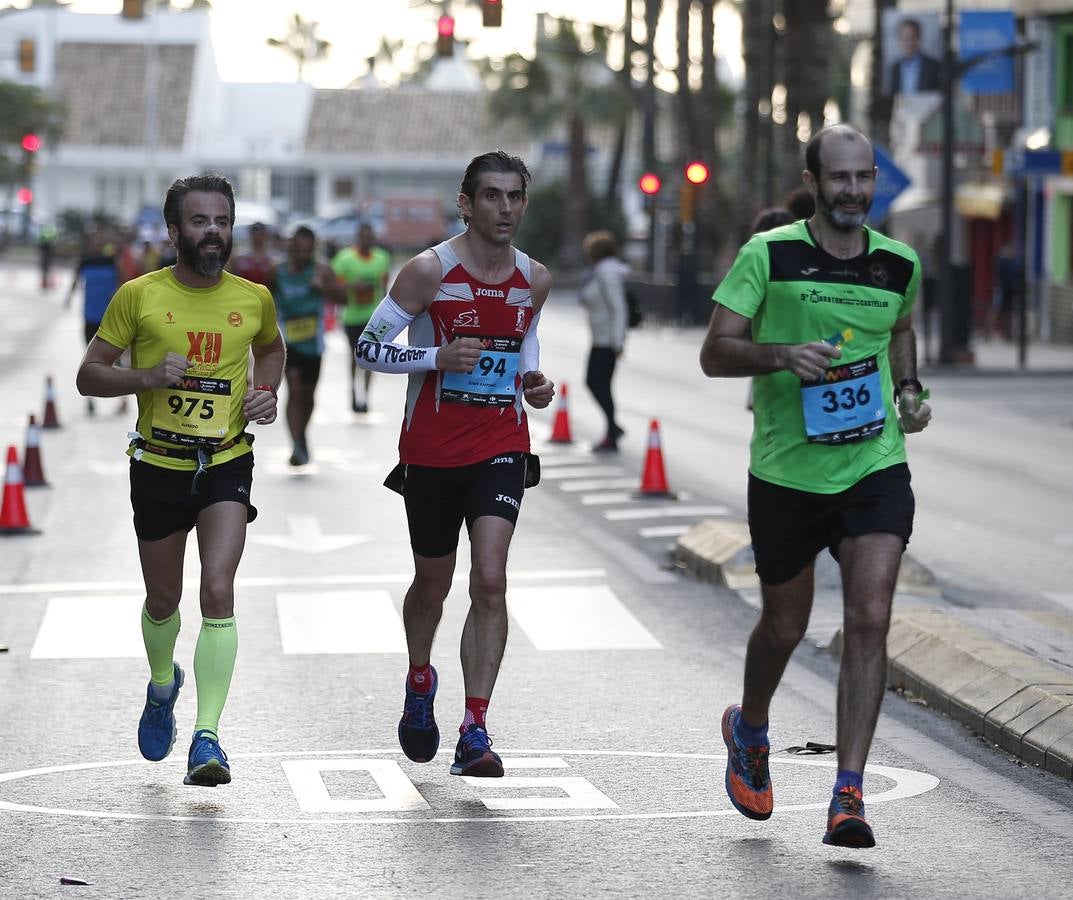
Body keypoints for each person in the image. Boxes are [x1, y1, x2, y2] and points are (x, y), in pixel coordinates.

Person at [699, 124, 932, 848]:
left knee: (868, 616)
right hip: (786, 472)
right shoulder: (766, 255)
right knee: (785, 627)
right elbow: (714, 352)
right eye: (839, 178)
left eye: (863, 177)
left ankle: (848, 792)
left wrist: (910, 389)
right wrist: (778, 355)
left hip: (872, 465)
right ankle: (751, 728)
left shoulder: (898, 263)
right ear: (812, 180)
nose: (854, 191)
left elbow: (899, 331)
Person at [75, 174, 285, 788]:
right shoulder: (138, 297)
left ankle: (209, 737)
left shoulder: (254, 298)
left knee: (218, 589)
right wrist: (145, 377)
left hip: (225, 460)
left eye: (222, 220)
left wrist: (264, 391)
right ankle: (163, 684)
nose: (213, 232)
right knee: (164, 599)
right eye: (199, 221)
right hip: (158, 466)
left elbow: (270, 350)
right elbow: (89, 375)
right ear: (174, 231)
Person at [355, 150, 554, 778]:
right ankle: (420, 677)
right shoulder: (427, 271)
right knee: (433, 582)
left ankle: (475, 726)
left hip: (501, 444)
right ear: (466, 203)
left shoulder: (534, 278)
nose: (504, 208)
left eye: (514, 196)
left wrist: (533, 380)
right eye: (491, 196)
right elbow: (369, 347)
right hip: (432, 451)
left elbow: (523, 339)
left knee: (490, 579)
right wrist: (435, 360)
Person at [270, 225, 340, 465]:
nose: (302, 255)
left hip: (314, 343)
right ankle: (296, 444)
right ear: (290, 247)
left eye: (307, 251)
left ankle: (302, 434)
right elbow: (264, 301)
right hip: (287, 342)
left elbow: (344, 298)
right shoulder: (277, 271)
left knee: (308, 396)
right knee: (295, 390)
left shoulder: (322, 270)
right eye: (298, 250)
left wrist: (325, 287)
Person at [332, 223, 392, 413]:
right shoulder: (345, 259)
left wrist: (387, 316)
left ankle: (365, 396)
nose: (367, 240)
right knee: (354, 356)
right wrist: (351, 287)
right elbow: (335, 286)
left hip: (372, 317)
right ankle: (352, 391)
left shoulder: (382, 258)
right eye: (363, 237)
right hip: (351, 317)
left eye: (370, 237)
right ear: (358, 238)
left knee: (370, 357)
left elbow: (384, 288)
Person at [578, 230, 630, 452]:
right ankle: (612, 429)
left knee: (596, 383)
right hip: (601, 339)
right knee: (599, 384)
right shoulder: (600, 272)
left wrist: (618, 343)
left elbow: (618, 309)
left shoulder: (607, 274)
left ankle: (612, 430)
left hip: (607, 341)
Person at [66, 230, 126, 416]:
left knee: (117, 359)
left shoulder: (112, 260)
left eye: (99, 239)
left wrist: (119, 297)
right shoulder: (84, 261)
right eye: (93, 239)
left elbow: (125, 281)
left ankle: (124, 400)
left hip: (110, 317)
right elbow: (75, 281)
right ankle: (90, 401)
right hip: (89, 316)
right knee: (90, 360)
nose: (96, 243)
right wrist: (68, 297)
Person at [888, 18, 941, 96]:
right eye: (905, 38)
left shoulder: (933, 66)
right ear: (899, 40)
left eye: (913, 37)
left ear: (919, 38)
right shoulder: (895, 67)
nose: (909, 42)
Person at [229, 221, 275, 286]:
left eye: (261, 234)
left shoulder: (272, 260)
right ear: (250, 234)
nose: (257, 237)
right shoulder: (238, 258)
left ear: (265, 235)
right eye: (255, 234)